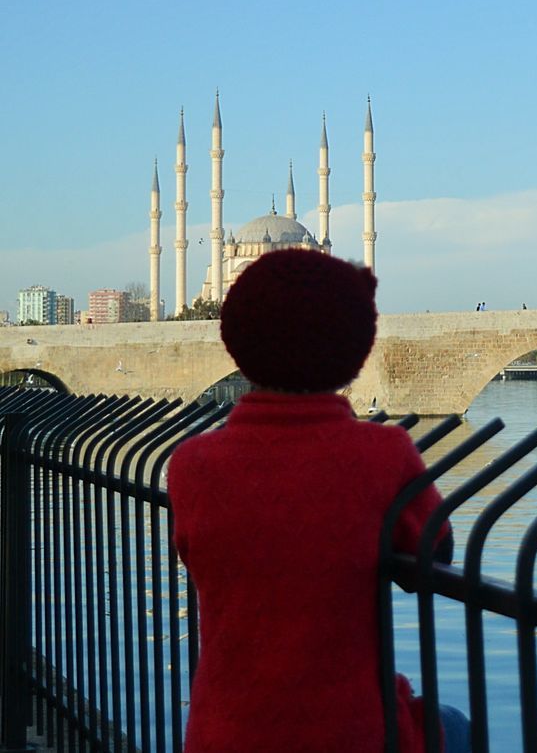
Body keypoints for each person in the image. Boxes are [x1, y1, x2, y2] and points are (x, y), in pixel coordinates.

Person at [168, 249, 468, 752]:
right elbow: (434, 553)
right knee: (454, 724)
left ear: (238, 341)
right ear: (355, 348)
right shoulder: (382, 453)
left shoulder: (192, 464)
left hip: (224, 732)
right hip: (351, 731)